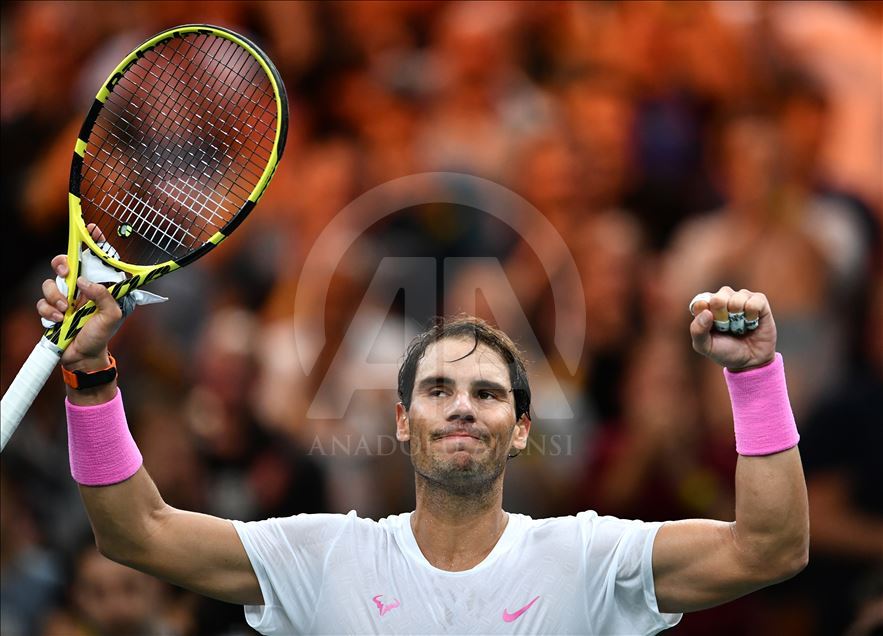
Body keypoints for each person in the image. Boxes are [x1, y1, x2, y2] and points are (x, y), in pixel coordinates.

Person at [37, 250, 809, 635]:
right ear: (402, 424)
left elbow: (769, 549)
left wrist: (755, 377)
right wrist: (92, 376)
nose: (463, 408)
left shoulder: (592, 557)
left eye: (488, 393)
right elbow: (134, 532)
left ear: (522, 430)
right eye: (437, 390)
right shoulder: (322, 557)